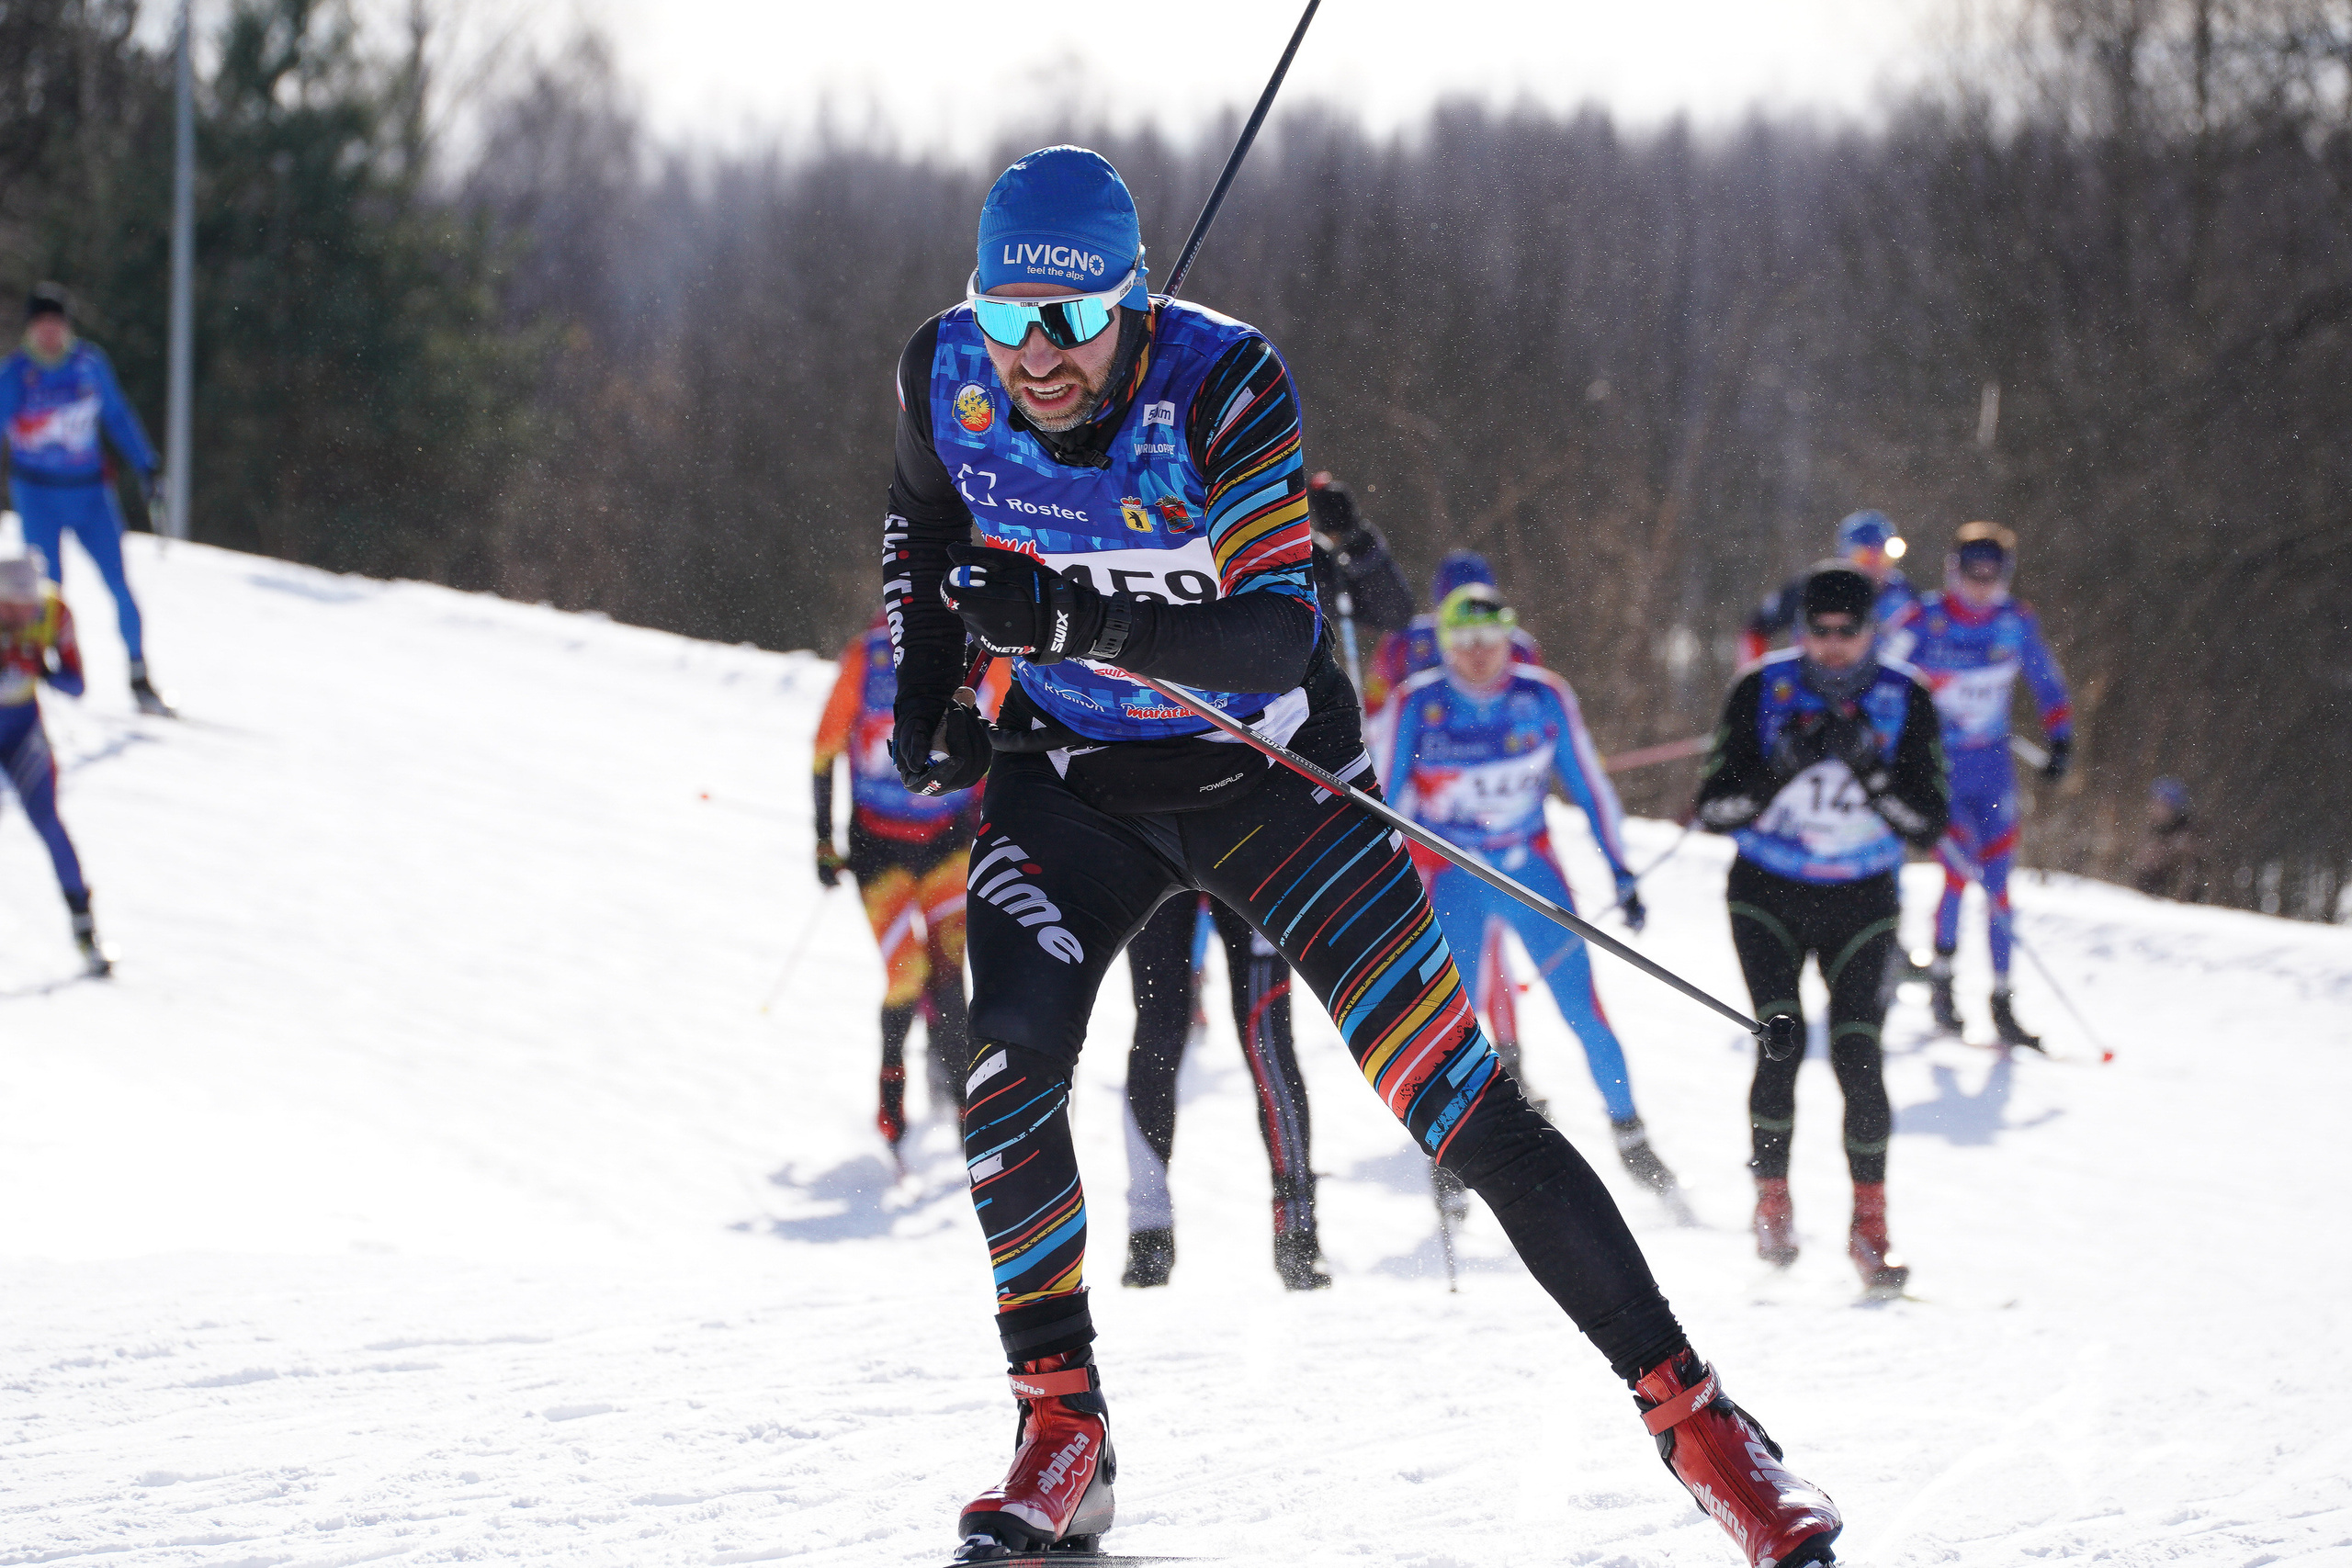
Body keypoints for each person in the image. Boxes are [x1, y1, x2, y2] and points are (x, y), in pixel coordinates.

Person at [883, 145, 1841, 1566]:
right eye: (1013, 315)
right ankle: (1060, 1425)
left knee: (1463, 1103)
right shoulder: (944, 372)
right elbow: (925, 525)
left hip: (1273, 775)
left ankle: (1710, 1434)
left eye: (1073, 320)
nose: (1039, 354)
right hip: (1074, 782)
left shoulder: (1224, 384)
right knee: (1009, 1064)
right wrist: (930, 694)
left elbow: (1276, 631)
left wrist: (1071, 618)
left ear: (1131, 304)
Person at [1694, 562, 1948, 1294]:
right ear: (1802, 628)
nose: (1833, 647)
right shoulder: (1762, 689)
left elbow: (1929, 822)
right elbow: (1714, 807)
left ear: (1874, 631)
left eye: (1849, 632)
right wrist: (1778, 771)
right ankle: (1772, 1202)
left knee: (1859, 1055)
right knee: (1780, 1038)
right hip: (1767, 892)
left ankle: (1871, 1229)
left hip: (1862, 900)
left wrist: (1872, 772)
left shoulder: (1906, 697)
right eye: (1819, 631)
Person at [1380, 584, 1680, 1201]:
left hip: (1528, 872)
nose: (1478, 654)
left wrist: (1620, 870)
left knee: (1585, 1009)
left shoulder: (1542, 696)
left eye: (1491, 639)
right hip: (1455, 878)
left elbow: (1588, 785)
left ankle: (1631, 1134)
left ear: (1510, 637)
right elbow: (1386, 798)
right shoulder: (1420, 703)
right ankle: (1451, 1151)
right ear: (1442, 645)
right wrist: (1383, 884)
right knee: (1450, 1029)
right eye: (1462, 641)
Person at [810, 611, 1003, 1152]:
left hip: (946, 843)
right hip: (880, 853)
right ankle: (892, 1091)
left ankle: (966, 1105)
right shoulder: (866, 656)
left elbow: (1013, 738)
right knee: (906, 975)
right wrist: (824, 841)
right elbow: (824, 748)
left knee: (947, 967)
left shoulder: (985, 656)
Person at [1889, 522, 2072, 1047]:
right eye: (1973, 575)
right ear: (1954, 571)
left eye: (1994, 577)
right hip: (1939, 769)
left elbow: (2045, 678)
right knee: (1957, 868)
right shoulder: (1925, 620)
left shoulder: (2015, 623)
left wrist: (2060, 738)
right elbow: (1877, 671)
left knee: (1998, 882)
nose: (1982, 587)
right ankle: (1944, 983)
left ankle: (2001, 998)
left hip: (1993, 769)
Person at [1118, 892, 1324, 1292]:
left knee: (1266, 1036)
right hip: (1155, 844)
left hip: (1247, 845)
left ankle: (1297, 1231)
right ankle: (1148, 1231)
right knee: (1159, 1030)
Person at [0, 285, 170, 715]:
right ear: (30, 329)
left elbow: (116, 415)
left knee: (118, 582)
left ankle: (138, 673)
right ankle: (41, 674)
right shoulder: (17, 375)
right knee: (46, 589)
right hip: (37, 494)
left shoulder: (89, 364)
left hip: (91, 493)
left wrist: (146, 464)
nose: (51, 334)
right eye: (42, 326)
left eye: (57, 325)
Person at [0, 548, 108, 975]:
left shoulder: (53, 613)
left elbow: (76, 683)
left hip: (23, 730)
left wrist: (43, 672)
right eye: (13, 605)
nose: (23, 614)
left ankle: (86, 932)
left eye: (29, 605)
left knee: (49, 822)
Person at [1363, 549, 1543, 713]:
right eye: (1456, 613)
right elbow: (1375, 702)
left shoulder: (1519, 647)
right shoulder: (1403, 641)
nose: (1476, 645)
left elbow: (1538, 702)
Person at [1740, 511, 1919, 665]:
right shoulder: (1813, 586)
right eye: (1863, 557)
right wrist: (1757, 684)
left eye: (1884, 556)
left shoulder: (1904, 593)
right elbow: (1756, 630)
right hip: (1811, 687)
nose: (1875, 566)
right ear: (1844, 555)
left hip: (1878, 694)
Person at [2131, 777, 2206, 903]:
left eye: (2160, 805)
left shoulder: (2186, 836)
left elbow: (2187, 885)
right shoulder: (2155, 830)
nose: (2153, 808)